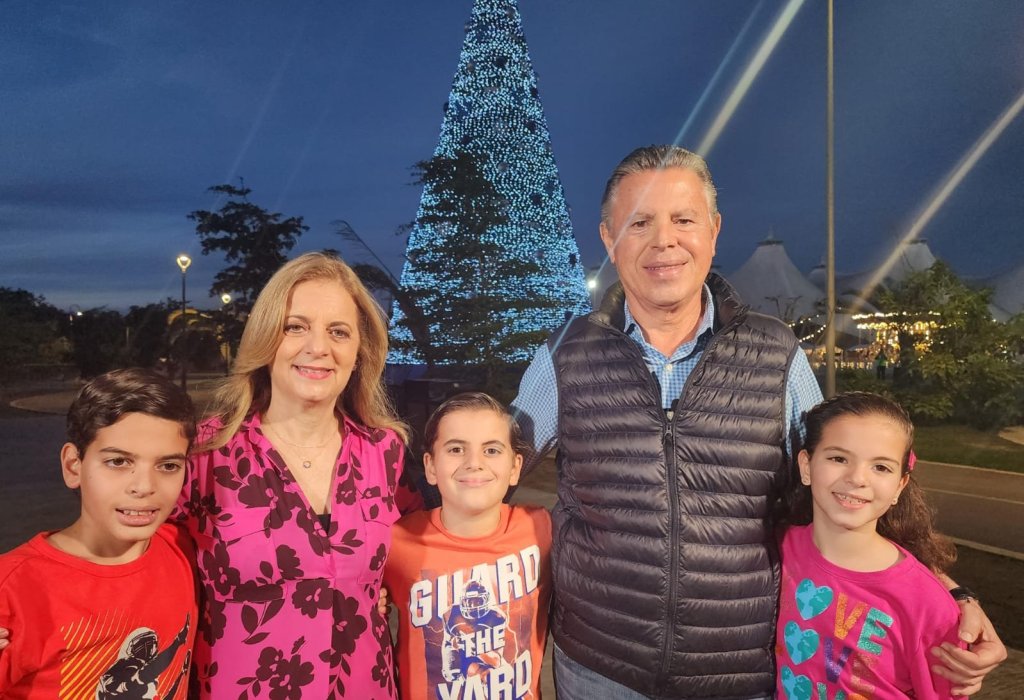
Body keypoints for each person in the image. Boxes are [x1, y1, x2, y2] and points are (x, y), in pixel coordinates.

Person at [510, 145, 1005, 698]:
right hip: (601, 667)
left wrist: (949, 593)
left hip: (741, 670)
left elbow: (848, 486)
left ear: (714, 231)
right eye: (639, 223)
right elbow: (480, 469)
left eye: (683, 220)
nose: (663, 240)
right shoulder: (567, 354)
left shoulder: (775, 353)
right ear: (608, 238)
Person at [173, 252, 421, 698]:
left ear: (358, 352)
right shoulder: (205, 454)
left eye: (338, 331)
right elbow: (138, 561)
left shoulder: (386, 452)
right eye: (296, 327)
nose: (318, 347)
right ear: (266, 338)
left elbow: (423, 550)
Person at [0, 368, 197, 698]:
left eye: (167, 466)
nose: (144, 486)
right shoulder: (15, 591)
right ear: (73, 466)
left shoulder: (180, 549)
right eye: (119, 462)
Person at [776, 392, 963, 698]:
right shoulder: (777, 548)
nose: (857, 478)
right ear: (806, 467)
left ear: (899, 486)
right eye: (838, 458)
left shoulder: (929, 606)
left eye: (881, 467)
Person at [383, 392, 551, 700]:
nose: (474, 463)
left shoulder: (540, 527)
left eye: (491, 450)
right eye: (456, 449)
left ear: (515, 467)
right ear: (431, 466)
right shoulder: (397, 541)